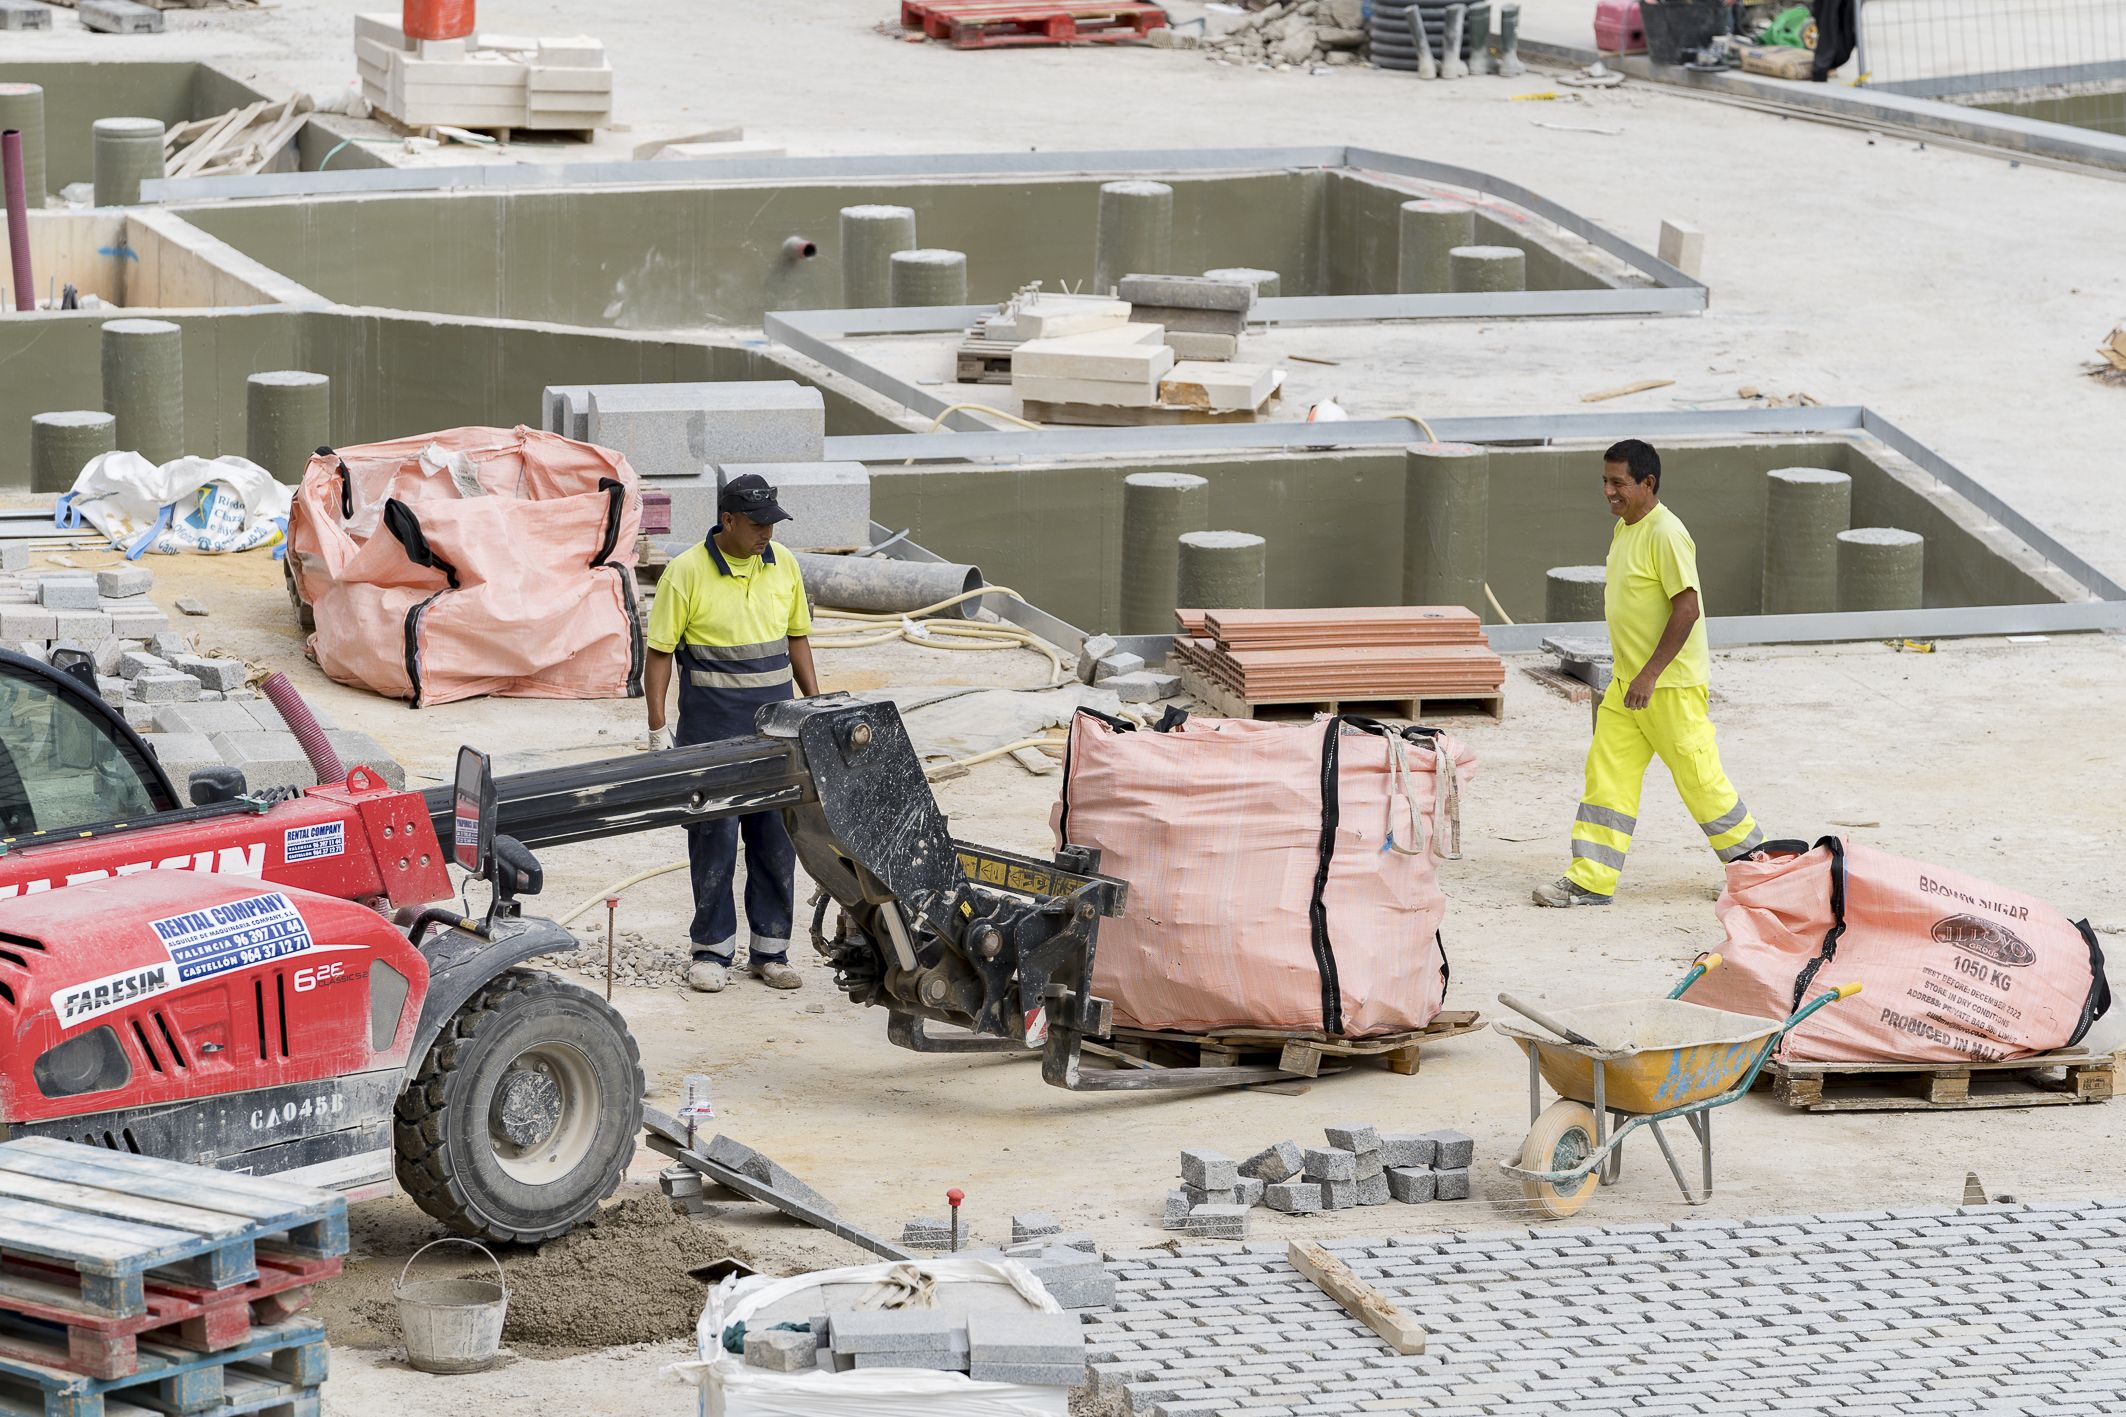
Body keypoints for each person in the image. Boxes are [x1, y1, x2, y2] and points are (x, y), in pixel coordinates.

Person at [1534, 439, 1764, 907]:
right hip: (1627, 685)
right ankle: (1590, 880)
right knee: (1607, 775)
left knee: (1701, 782)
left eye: (1618, 482)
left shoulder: (1666, 533)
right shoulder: (1626, 528)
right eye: (1605, 481)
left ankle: (1760, 874)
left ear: (1648, 483)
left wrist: (1650, 675)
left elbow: (1688, 607)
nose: (1608, 491)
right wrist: (1629, 677)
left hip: (1668, 687)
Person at [644, 473, 820, 989]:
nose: (768, 532)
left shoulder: (782, 564)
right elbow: (658, 658)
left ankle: (771, 951)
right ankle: (712, 952)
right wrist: (658, 730)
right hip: (711, 736)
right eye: (759, 523)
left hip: (776, 736)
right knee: (714, 840)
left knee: (774, 842)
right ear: (729, 520)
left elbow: (798, 641)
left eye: (773, 522)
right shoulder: (686, 573)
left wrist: (818, 710)